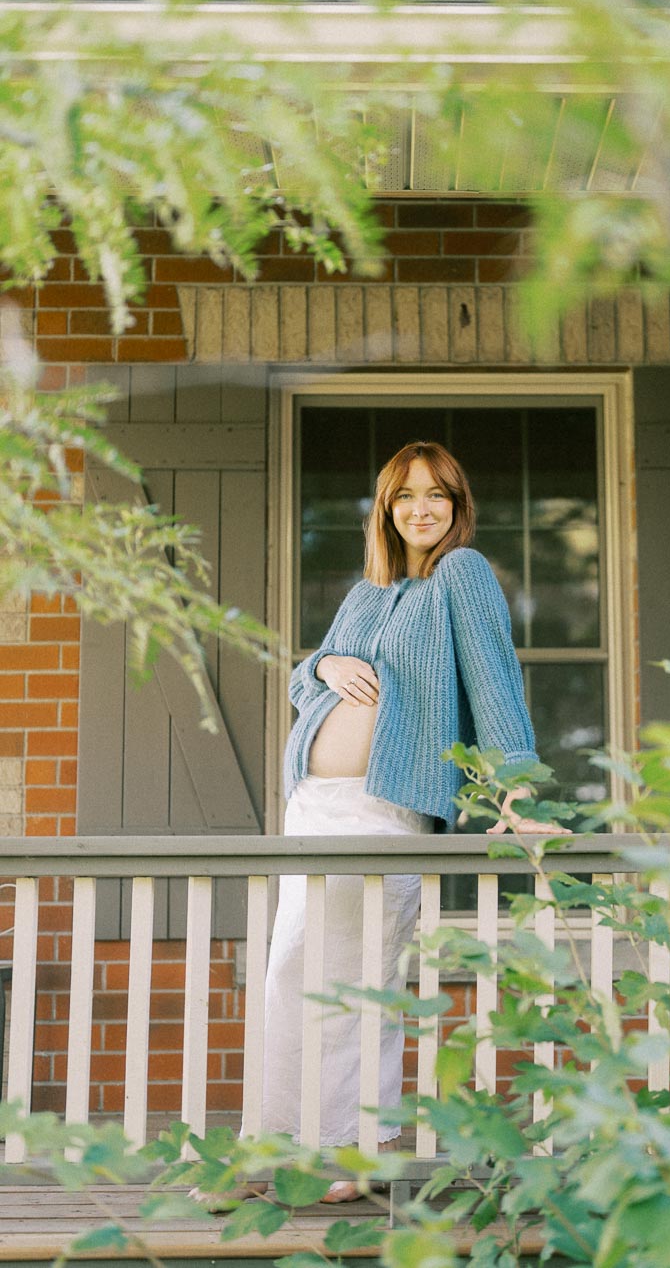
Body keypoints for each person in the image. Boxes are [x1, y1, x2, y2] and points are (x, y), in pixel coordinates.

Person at [259, 441, 559, 1204]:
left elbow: (494, 681)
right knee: (291, 973)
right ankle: (275, 1149)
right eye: (404, 496)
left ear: (457, 507)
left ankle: (365, 1150)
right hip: (311, 806)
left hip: (384, 805)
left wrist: (516, 793)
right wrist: (320, 666)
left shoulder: (463, 574)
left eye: (436, 496)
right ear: (385, 509)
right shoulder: (369, 593)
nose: (420, 509)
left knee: (360, 976)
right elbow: (309, 678)